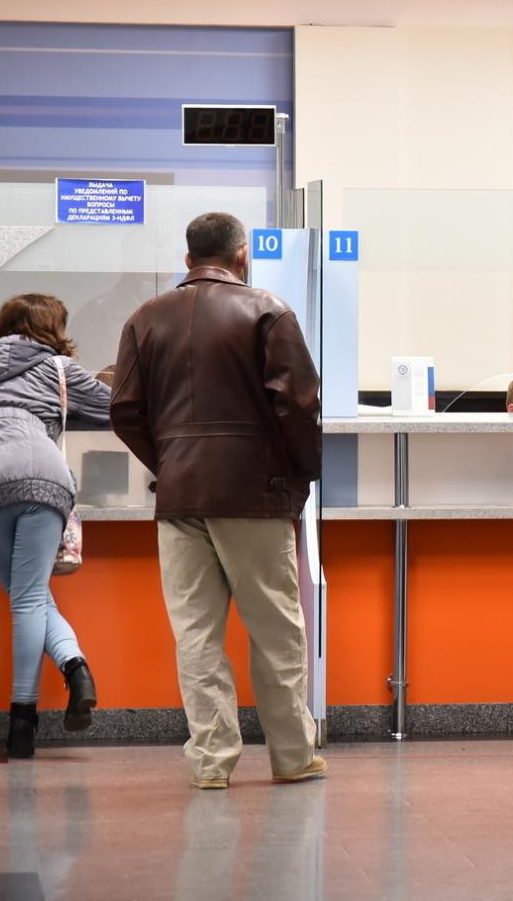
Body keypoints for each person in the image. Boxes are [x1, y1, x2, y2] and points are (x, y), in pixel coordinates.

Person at [111, 212, 326, 789]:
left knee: (196, 635)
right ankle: (292, 756)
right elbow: (299, 405)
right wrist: (299, 477)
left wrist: (170, 461)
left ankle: (211, 763)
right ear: (242, 255)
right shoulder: (268, 311)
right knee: (276, 631)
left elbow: (124, 411)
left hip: (179, 497)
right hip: (255, 494)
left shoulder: (144, 318)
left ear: (188, 260)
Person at [0, 294, 107, 759]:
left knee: (25, 597)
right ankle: (69, 672)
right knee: (32, 597)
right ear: (53, 328)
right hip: (47, 478)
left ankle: (27, 722)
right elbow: (118, 407)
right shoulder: (60, 369)